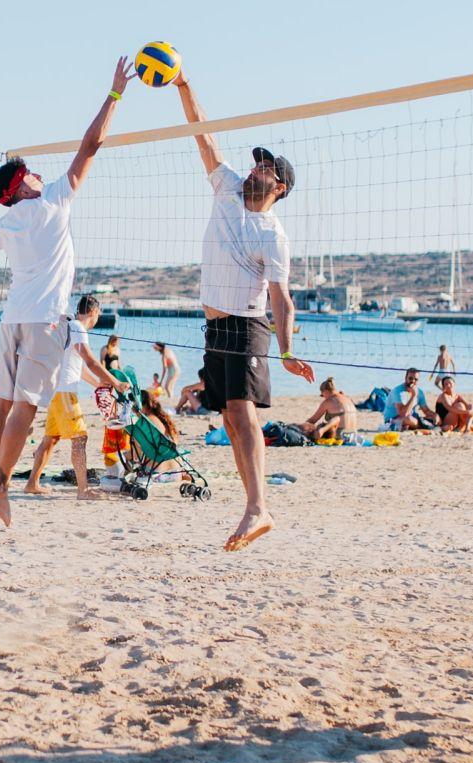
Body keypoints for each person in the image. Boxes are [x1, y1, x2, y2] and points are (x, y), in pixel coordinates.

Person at [0, 58, 134, 526]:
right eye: (31, 172)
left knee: (0, 404)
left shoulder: (9, 221)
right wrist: (114, 94)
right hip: (45, 321)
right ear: (24, 185)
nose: (37, 173)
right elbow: (91, 144)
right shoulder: (53, 199)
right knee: (26, 409)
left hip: (14, 319)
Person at [173, 68, 314, 552]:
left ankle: (258, 508)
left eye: (266, 169)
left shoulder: (274, 235)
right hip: (215, 327)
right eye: (256, 164)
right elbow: (203, 135)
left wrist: (289, 349)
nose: (255, 169)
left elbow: (282, 298)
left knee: (241, 410)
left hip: (248, 325)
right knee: (230, 419)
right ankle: (254, 505)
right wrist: (185, 85)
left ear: (280, 187)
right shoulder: (228, 189)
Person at [25, 295, 129, 500]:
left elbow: (79, 368)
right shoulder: (79, 328)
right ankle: (83, 490)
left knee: (50, 439)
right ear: (94, 313)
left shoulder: (69, 326)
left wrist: (99, 383)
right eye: (98, 314)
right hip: (64, 393)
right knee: (80, 438)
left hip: (56, 391)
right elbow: (90, 361)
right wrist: (116, 383)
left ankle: (32, 483)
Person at [299, 377, 358, 441]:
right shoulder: (347, 398)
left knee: (316, 428)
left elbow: (313, 420)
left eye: (322, 395)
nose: (323, 397)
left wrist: (300, 428)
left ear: (325, 391)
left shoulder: (329, 401)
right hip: (354, 435)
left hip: (341, 436)